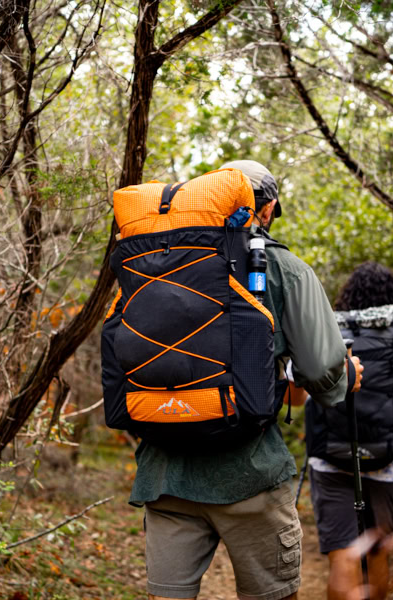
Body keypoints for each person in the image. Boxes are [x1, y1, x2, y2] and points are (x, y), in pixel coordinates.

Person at [129, 159, 364, 600]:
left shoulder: (155, 258)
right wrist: (345, 378)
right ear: (269, 208)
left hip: (165, 473)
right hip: (250, 475)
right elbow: (319, 369)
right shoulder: (283, 267)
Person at [308, 262, 393, 600]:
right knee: (377, 550)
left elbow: (297, 396)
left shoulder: (326, 336)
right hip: (389, 466)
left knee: (343, 551)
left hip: (330, 461)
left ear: (347, 296)